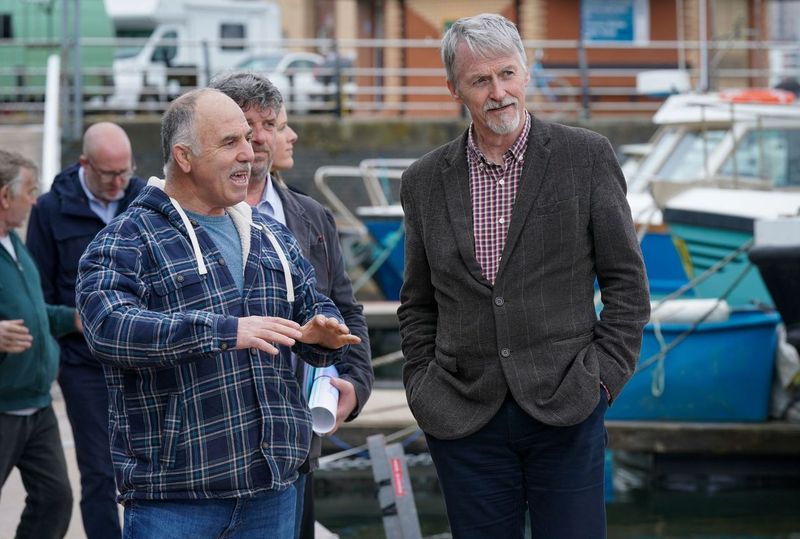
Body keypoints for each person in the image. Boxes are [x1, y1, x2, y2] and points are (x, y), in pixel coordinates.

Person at [397, 14, 650, 539]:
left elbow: (626, 283)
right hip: (462, 415)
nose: (498, 93)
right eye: (480, 81)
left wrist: (602, 380)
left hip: (568, 404)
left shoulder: (586, 157)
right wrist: (423, 386)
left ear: (526, 72)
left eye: (507, 74)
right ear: (453, 89)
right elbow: (418, 302)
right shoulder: (423, 181)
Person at [75, 88, 361, 539]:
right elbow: (108, 329)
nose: (249, 153)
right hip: (175, 500)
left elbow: (315, 303)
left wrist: (323, 333)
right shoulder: (124, 240)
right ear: (184, 156)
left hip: (274, 489)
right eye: (230, 142)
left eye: (248, 139)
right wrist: (224, 330)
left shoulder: (271, 235)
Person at [209, 72, 373, 539]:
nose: (258, 137)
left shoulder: (312, 216)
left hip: (297, 445)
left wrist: (355, 384)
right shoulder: (188, 217)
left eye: (268, 123)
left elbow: (346, 310)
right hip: (211, 454)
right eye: (246, 123)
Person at [26, 121, 145, 539]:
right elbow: (36, 290)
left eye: (125, 172)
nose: (118, 183)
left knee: (153, 464)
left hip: (141, 357)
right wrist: (71, 320)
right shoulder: (48, 210)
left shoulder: (146, 198)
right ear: (84, 165)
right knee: (98, 470)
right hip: (82, 364)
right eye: (108, 173)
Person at [0, 150, 77, 539]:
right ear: (4, 196)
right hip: (3, 406)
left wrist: (73, 318)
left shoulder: (14, 241)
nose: (35, 201)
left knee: (55, 500)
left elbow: (33, 310)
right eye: (29, 191)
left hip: (37, 406)